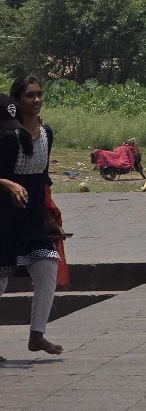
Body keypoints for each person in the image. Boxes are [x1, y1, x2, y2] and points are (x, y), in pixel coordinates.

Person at [0, 74, 65, 355]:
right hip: (3, 219)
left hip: (31, 218)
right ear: (17, 101)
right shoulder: (7, 137)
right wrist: (8, 183)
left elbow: (43, 180)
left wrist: (49, 215)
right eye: (29, 95)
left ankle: (36, 334)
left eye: (39, 94)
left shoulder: (47, 134)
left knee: (48, 266)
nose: (36, 100)